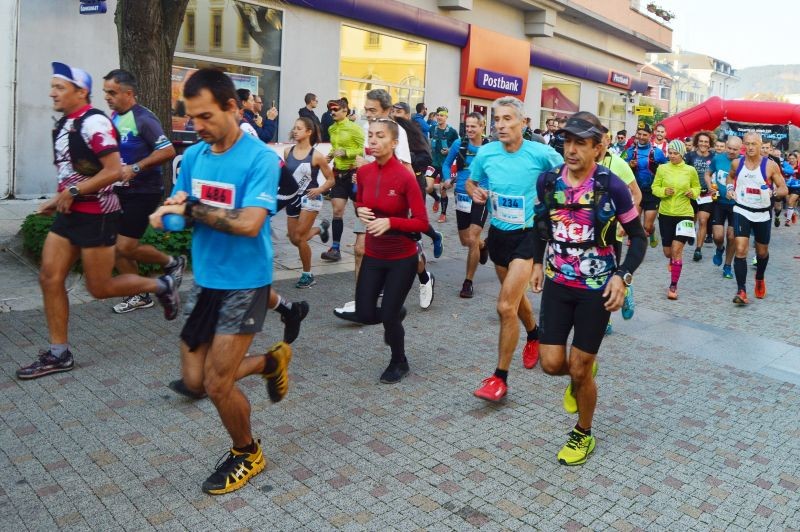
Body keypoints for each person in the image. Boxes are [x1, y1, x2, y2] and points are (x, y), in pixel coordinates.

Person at [149, 68, 292, 495]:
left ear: (232, 107)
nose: (197, 126)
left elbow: (249, 223)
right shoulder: (195, 157)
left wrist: (190, 209)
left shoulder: (261, 158)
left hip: (246, 282)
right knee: (194, 381)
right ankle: (270, 363)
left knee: (216, 383)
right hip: (206, 279)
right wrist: (167, 215)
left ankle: (247, 452)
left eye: (205, 116)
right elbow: (179, 211)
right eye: (191, 116)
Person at [16, 62, 180, 380]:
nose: (52, 93)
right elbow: (74, 170)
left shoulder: (99, 122)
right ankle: (59, 353)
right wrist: (61, 197)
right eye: (52, 86)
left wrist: (74, 191)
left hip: (100, 211)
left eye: (60, 87)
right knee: (50, 278)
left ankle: (162, 283)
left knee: (101, 286)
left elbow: (115, 170)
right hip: (72, 212)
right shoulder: (70, 122)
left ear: (80, 92)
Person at [531, 112, 647, 466]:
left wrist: (622, 276)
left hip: (597, 289)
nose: (571, 149)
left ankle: (583, 432)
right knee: (551, 364)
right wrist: (536, 262)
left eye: (580, 143)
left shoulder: (612, 187)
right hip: (557, 283)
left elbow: (639, 237)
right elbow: (541, 224)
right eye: (567, 141)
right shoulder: (548, 181)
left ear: (598, 148)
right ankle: (582, 375)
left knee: (580, 368)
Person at [467, 96, 563, 402]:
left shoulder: (540, 152)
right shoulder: (486, 152)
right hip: (499, 235)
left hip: (528, 235)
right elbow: (471, 182)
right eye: (497, 119)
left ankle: (499, 378)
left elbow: (568, 175)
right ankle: (534, 334)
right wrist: (476, 192)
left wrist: (551, 196)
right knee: (516, 298)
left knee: (505, 306)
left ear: (523, 122)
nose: (501, 125)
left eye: (508, 119)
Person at [334, 90, 434, 320]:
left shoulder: (397, 133)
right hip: (370, 197)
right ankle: (364, 303)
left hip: (393, 199)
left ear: (387, 111)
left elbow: (407, 168)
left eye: (373, 110)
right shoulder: (366, 128)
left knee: (400, 248)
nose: (368, 114)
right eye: (366, 109)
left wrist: (412, 204)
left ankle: (423, 277)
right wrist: (360, 175)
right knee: (360, 249)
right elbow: (364, 160)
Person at [101, 69, 184, 314]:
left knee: (123, 247)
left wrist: (136, 167)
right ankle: (140, 294)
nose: (107, 97)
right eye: (105, 92)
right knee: (114, 246)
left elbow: (168, 151)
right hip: (119, 191)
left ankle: (171, 263)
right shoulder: (115, 117)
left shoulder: (144, 119)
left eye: (112, 92)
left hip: (143, 192)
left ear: (129, 93)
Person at [354, 118, 429, 383]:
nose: (373, 140)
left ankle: (399, 361)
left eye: (380, 136)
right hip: (374, 254)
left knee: (387, 315)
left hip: (401, 256)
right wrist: (359, 210)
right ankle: (395, 313)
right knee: (364, 313)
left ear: (394, 143)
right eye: (371, 136)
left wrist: (391, 222)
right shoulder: (364, 173)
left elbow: (422, 222)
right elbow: (360, 201)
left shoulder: (405, 177)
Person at [727, 132, 788, 305]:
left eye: (754, 144)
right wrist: (730, 188)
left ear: (761, 145)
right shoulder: (737, 163)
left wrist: (773, 193)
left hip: (762, 213)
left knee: (761, 252)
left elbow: (783, 189)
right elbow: (730, 176)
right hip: (742, 209)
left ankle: (759, 277)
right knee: (740, 249)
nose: (750, 147)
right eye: (747, 144)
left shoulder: (770, 166)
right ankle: (741, 291)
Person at [442, 112, 490, 298]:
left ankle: (468, 282)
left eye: (473, 126)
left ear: (482, 126)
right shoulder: (458, 144)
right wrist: (447, 179)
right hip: (461, 195)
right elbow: (446, 164)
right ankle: (483, 246)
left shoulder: (490, 147)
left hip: (480, 196)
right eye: (467, 126)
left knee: (472, 236)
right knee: (466, 241)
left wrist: (490, 190)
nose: (469, 129)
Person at [283, 117, 334, 288]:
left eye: (299, 128)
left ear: (308, 132)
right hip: (293, 199)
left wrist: (320, 190)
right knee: (294, 239)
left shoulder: (316, 156)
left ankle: (307, 274)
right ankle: (320, 229)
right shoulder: (287, 152)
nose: (295, 131)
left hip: (310, 199)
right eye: (294, 128)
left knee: (299, 237)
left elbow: (331, 180)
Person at [598, 126, 641, 328]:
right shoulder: (581, 164)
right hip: (589, 232)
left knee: (610, 273)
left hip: (613, 229)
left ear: (608, 141)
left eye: (602, 139)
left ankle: (608, 315)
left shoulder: (619, 164)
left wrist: (628, 221)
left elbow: (637, 193)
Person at [652, 140, 701, 300]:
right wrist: (663, 191)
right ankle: (673, 260)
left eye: (675, 153)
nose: (672, 156)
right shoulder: (662, 168)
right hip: (666, 213)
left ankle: (673, 286)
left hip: (684, 213)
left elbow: (697, 188)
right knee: (668, 252)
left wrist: (692, 193)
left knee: (677, 250)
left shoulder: (690, 170)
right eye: (670, 153)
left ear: (682, 154)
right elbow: (654, 188)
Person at [320, 99, 364, 262]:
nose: (332, 112)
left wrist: (346, 152)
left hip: (354, 174)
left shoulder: (354, 128)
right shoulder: (332, 128)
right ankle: (335, 249)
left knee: (361, 211)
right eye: (330, 110)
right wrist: (330, 156)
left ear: (345, 111)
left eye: (335, 109)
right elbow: (335, 147)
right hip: (338, 174)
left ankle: (366, 243)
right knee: (337, 211)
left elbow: (363, 150)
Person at [623, 123, 668, 248]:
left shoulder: (657, 152)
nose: (641, 137)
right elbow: (620, 166)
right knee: (635, 223)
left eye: (645, 134)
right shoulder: (630, 151)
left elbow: (668, 169)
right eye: (639, 134)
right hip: (636, 191)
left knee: (647, 226)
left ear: (650, 136)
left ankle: (651, 232)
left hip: (652, 193)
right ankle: (636, 244)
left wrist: (658, 169)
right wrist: (629, 165)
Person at [706, 136, 743, 279]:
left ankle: (727, 266)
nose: (731, 151)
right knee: (718, 236)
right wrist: (710, 186)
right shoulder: (718, 158)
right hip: (719, 203)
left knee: (732, 236)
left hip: (736, 205)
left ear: (740, 149)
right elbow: (708, 174)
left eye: (735, 149)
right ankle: (720, 248)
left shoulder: (743, 162)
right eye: (730, 148)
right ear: (726, 146)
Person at [684, 130, 716, 261]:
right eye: (701, 141)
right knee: (692, 219)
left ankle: (698, 249)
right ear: (697, 142)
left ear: (710, 144)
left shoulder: (714, 157)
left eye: (706, 142)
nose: (703, 144)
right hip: (692, 193)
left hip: (706, 194)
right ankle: (691, 232)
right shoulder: (689, 156)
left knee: (703, 221)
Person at [430, 106, 460, 223]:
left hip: (445, 165)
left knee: (443, 189)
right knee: (427, 187)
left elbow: (458, 145)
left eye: (441, 115)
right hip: (433, 163)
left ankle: (443, 214)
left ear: (446, 117)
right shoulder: (432, 128)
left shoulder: (452, 131)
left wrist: (449, 150)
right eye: (438, 115)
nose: (439, 117)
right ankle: (436, 199)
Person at [784, 152, 799, 226]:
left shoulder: (799, 166)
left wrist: (795, 171)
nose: (791, 160)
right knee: (789, 203)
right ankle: (792, 213)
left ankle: (788, 220)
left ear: (796, 159)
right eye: (790, 158)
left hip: (797, 187)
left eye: (793, 158)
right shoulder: (786, 165)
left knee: (790, 202)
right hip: (787, 187)